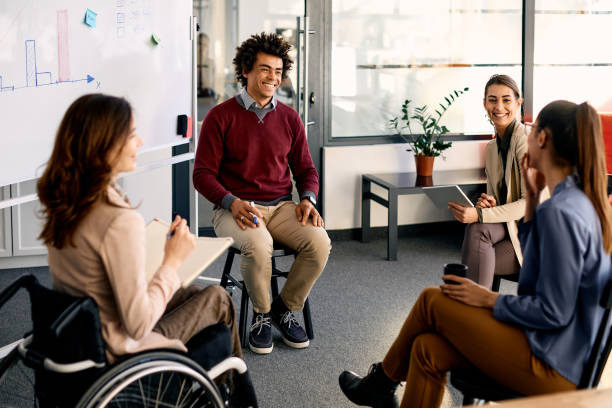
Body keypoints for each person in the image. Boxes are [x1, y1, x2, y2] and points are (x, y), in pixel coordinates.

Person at [338, 100, 612, 408]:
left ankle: (381, 382)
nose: (528, 135)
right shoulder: (578, 201)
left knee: (432, 300)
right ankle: (381, 384)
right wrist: (533, 200)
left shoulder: (560, 212)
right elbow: (535, 286)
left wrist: (487, 299)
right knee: (427, 348)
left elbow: (552, 311)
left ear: (544, 139)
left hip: (552, 364)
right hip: (562, 352)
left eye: (533, 131)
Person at [36, 93, 256, 407]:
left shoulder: (66, 199)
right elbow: (137, 324)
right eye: (131, 134)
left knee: (195, 294)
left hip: (82, 331)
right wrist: (171, 260)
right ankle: (240, 396)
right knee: (218, 298)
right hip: (118, 345)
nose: (140, 142)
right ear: (104, 144)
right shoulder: (118, 220)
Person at [193, 32, 331, 355]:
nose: (273, 78)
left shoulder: (290, 118)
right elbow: (202, 175)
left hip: (281, 207)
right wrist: (231, 201)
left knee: (320, 241)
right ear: (246, 71)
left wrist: (308, 199)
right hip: (232, 208)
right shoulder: (220, 116)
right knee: (259, 244)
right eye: (265, 69)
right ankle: (262, 315)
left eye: (278, 72)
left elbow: (307, 171)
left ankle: (284, 307)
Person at [448, 74, 529, 289]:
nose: (499, 106)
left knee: (477, 238)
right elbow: (496, 197)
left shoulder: (526, 141)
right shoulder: (493, 148)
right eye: (492, 100)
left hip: (534, 232)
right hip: (509, 224)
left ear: (518, 103)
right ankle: (476, 309)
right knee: (477, 230)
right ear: (484, 104)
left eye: (506, 99)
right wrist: (487, 204)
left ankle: (473, 309)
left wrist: (480, 213)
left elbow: (529, 203)